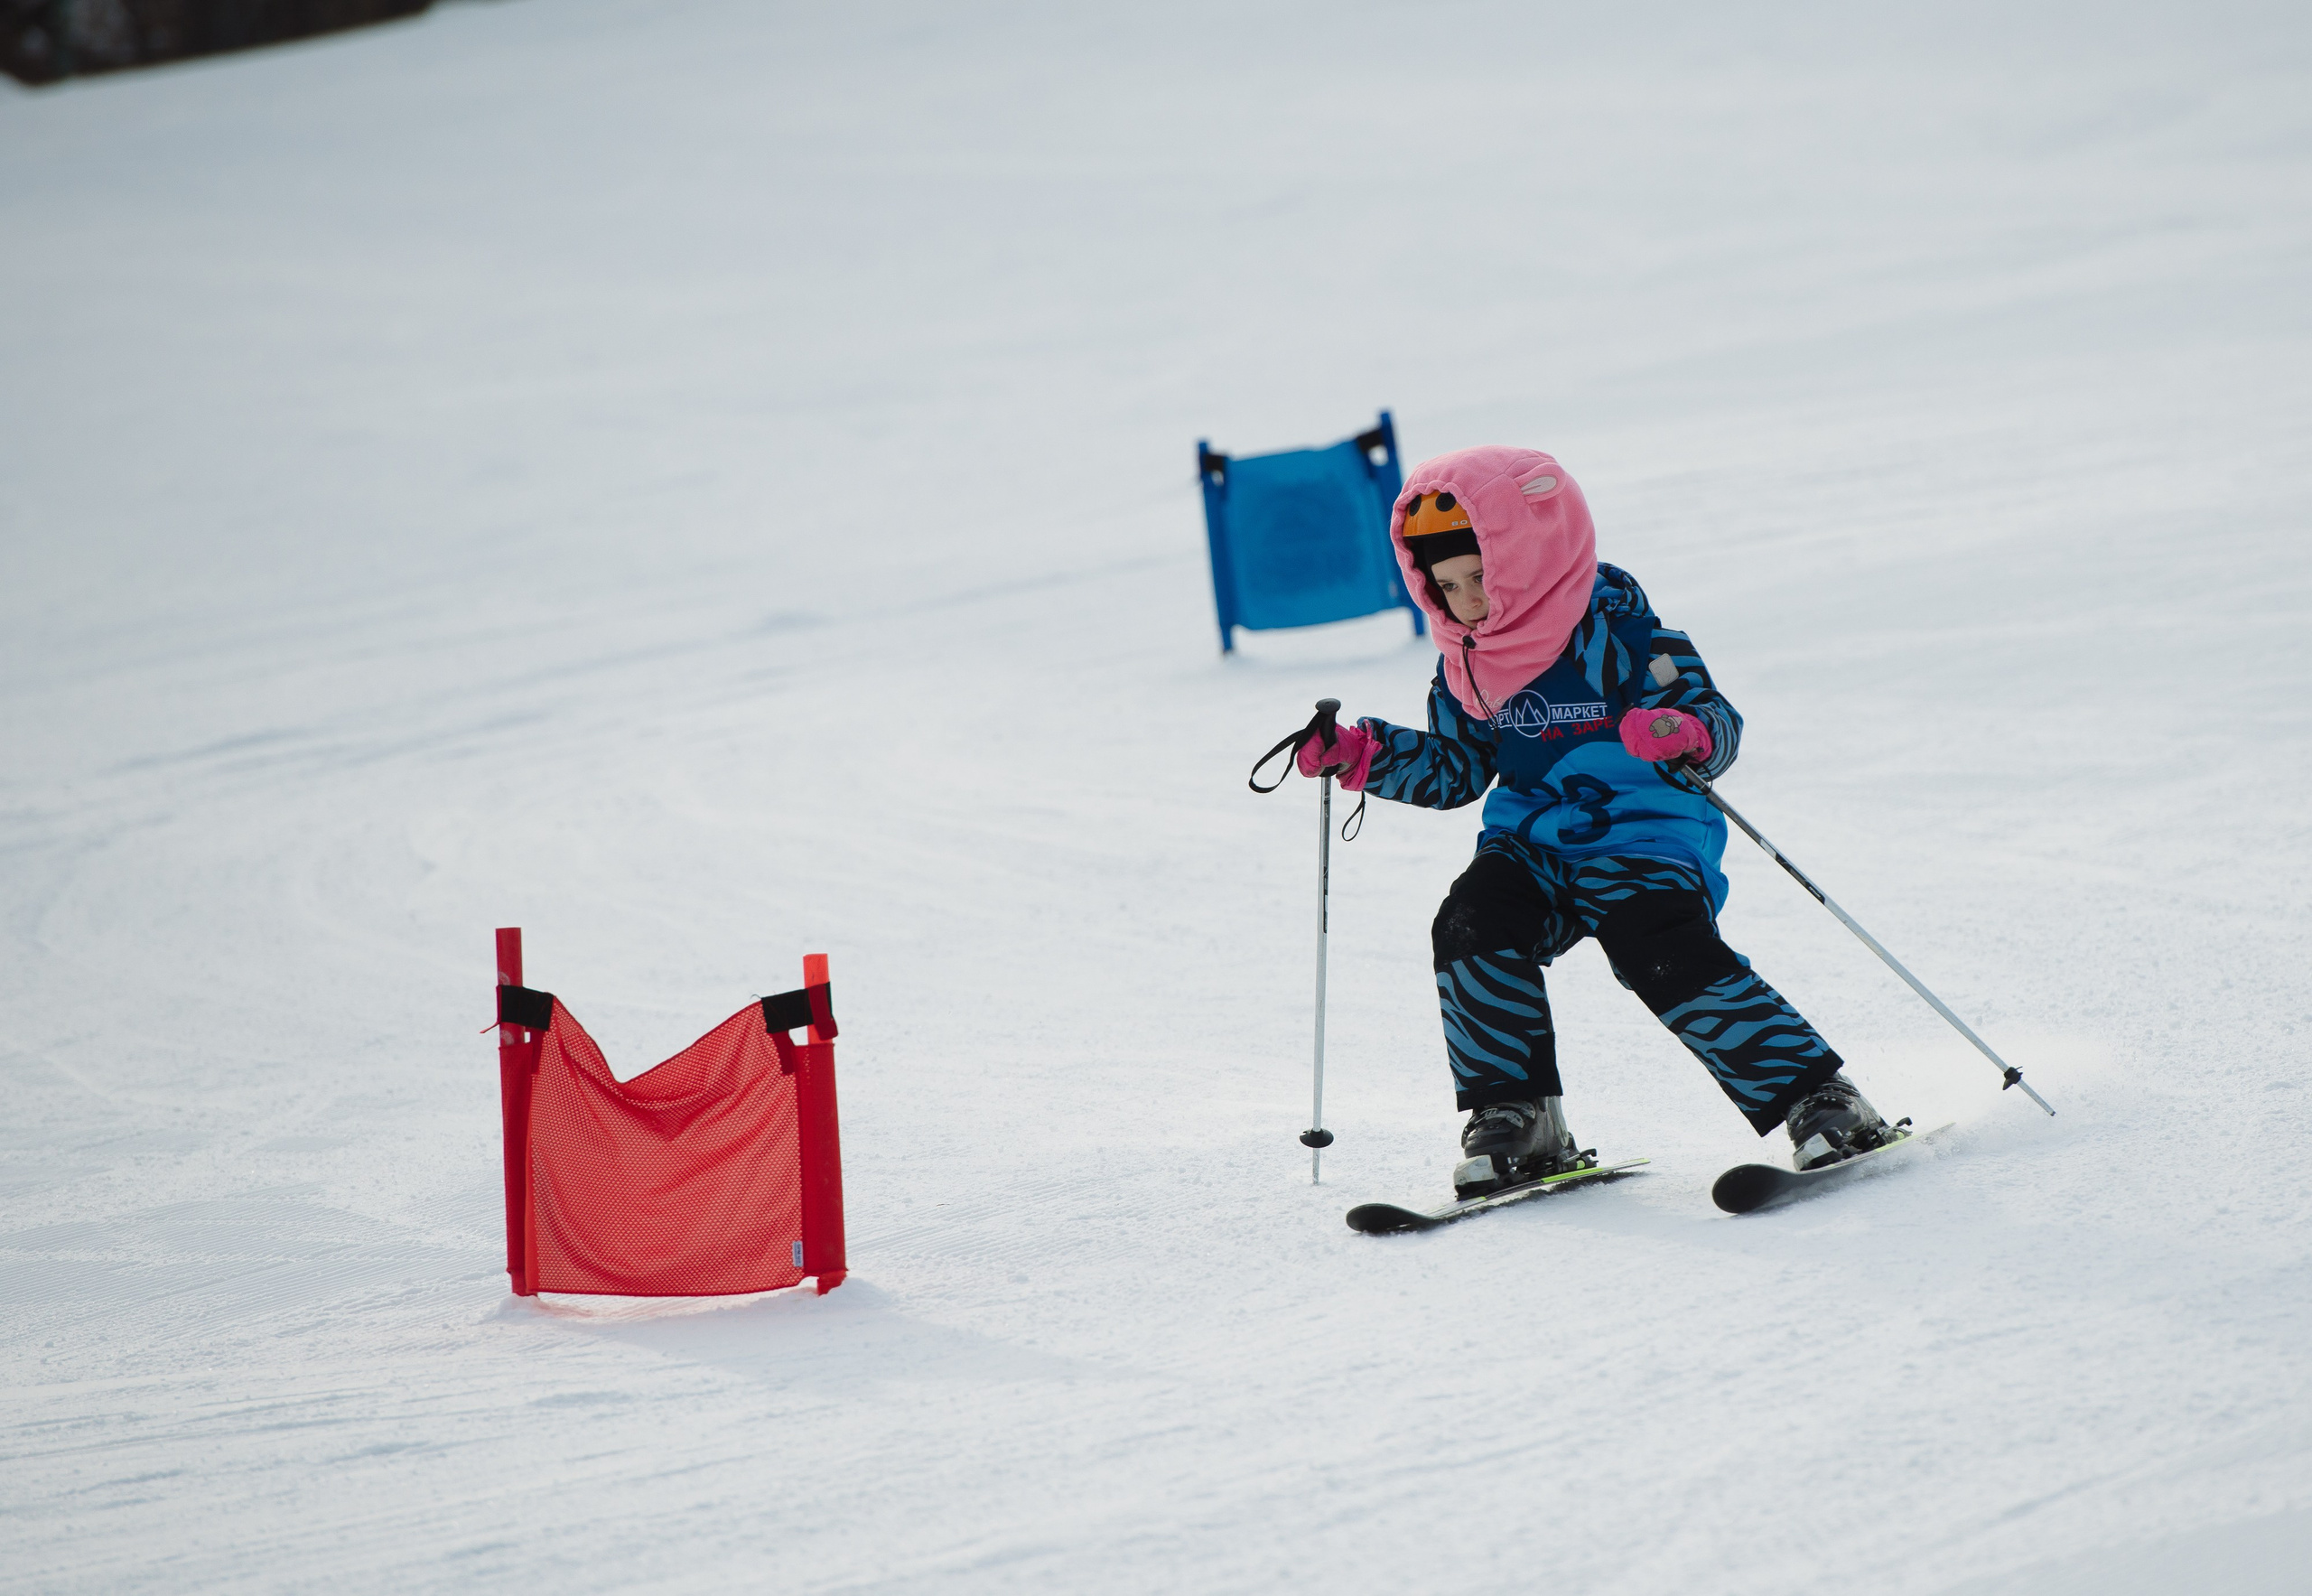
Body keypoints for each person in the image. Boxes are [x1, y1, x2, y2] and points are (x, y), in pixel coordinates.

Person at [1295, 445, 1891, 1196]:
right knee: (1471, 924)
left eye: (1482, 577)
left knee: (1656, 948)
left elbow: (1716, 720)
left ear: (1532, 557)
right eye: (1446, 586)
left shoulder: (1629, 637)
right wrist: (1361, 754)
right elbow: (1458, 768)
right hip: (1533, 844)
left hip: (1645, 834)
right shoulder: (1467, 666)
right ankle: (1519, 1115)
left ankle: (1820, 1097)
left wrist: (1684, 732)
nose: (1468, 601)